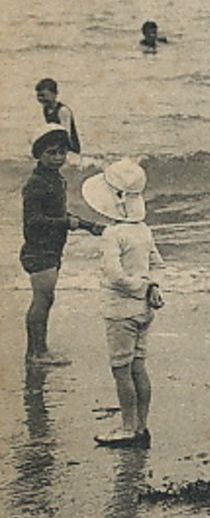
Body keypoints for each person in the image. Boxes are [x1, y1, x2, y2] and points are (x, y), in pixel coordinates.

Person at [82, 158, 162, 447]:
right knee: (138, 366)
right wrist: (150, 287)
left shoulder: (112, 234)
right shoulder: (143, 230)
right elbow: (156, 263)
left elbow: (115, 276)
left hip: (120, 311)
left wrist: (138, 287)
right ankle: (141, 425)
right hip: (144, 311)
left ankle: (128, 428)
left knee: (121, 370)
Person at [20, 125, 104, 366]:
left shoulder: (55, 179)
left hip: (52, 248)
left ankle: (37, 350)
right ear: (39, 155)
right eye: (51, 153)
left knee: (46, 298)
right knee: (42, 298)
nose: (58, 158)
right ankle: (37, 353)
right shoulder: (36, 183)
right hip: (39, 249)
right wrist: (68, 222)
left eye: (62, 153)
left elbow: (58, 212)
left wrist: (89, 226)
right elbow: (33, 221)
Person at [34, 79, 82, 157]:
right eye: (38, 96)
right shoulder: (46, 109)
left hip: (70, 149)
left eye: (43, 95)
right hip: (56, 146)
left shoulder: (63, 111)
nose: (41, 99)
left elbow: (66, 134)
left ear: (54, 94)